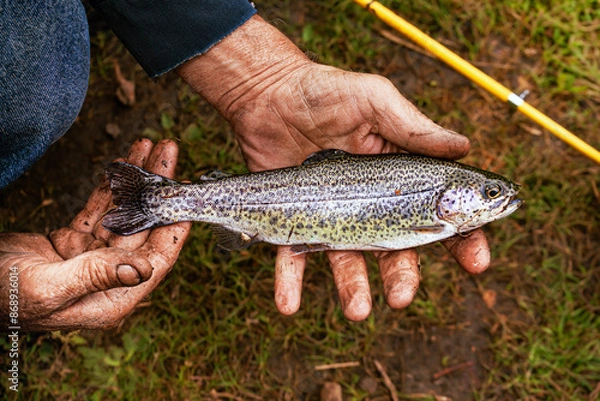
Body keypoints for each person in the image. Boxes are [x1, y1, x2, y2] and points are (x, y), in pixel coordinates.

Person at [0, 1, 491, 331]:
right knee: (32, 83)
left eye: (489, 195)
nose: (496, 201)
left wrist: (260, 75)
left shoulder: (436, 206)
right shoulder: (432, 217)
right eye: (489, 195)